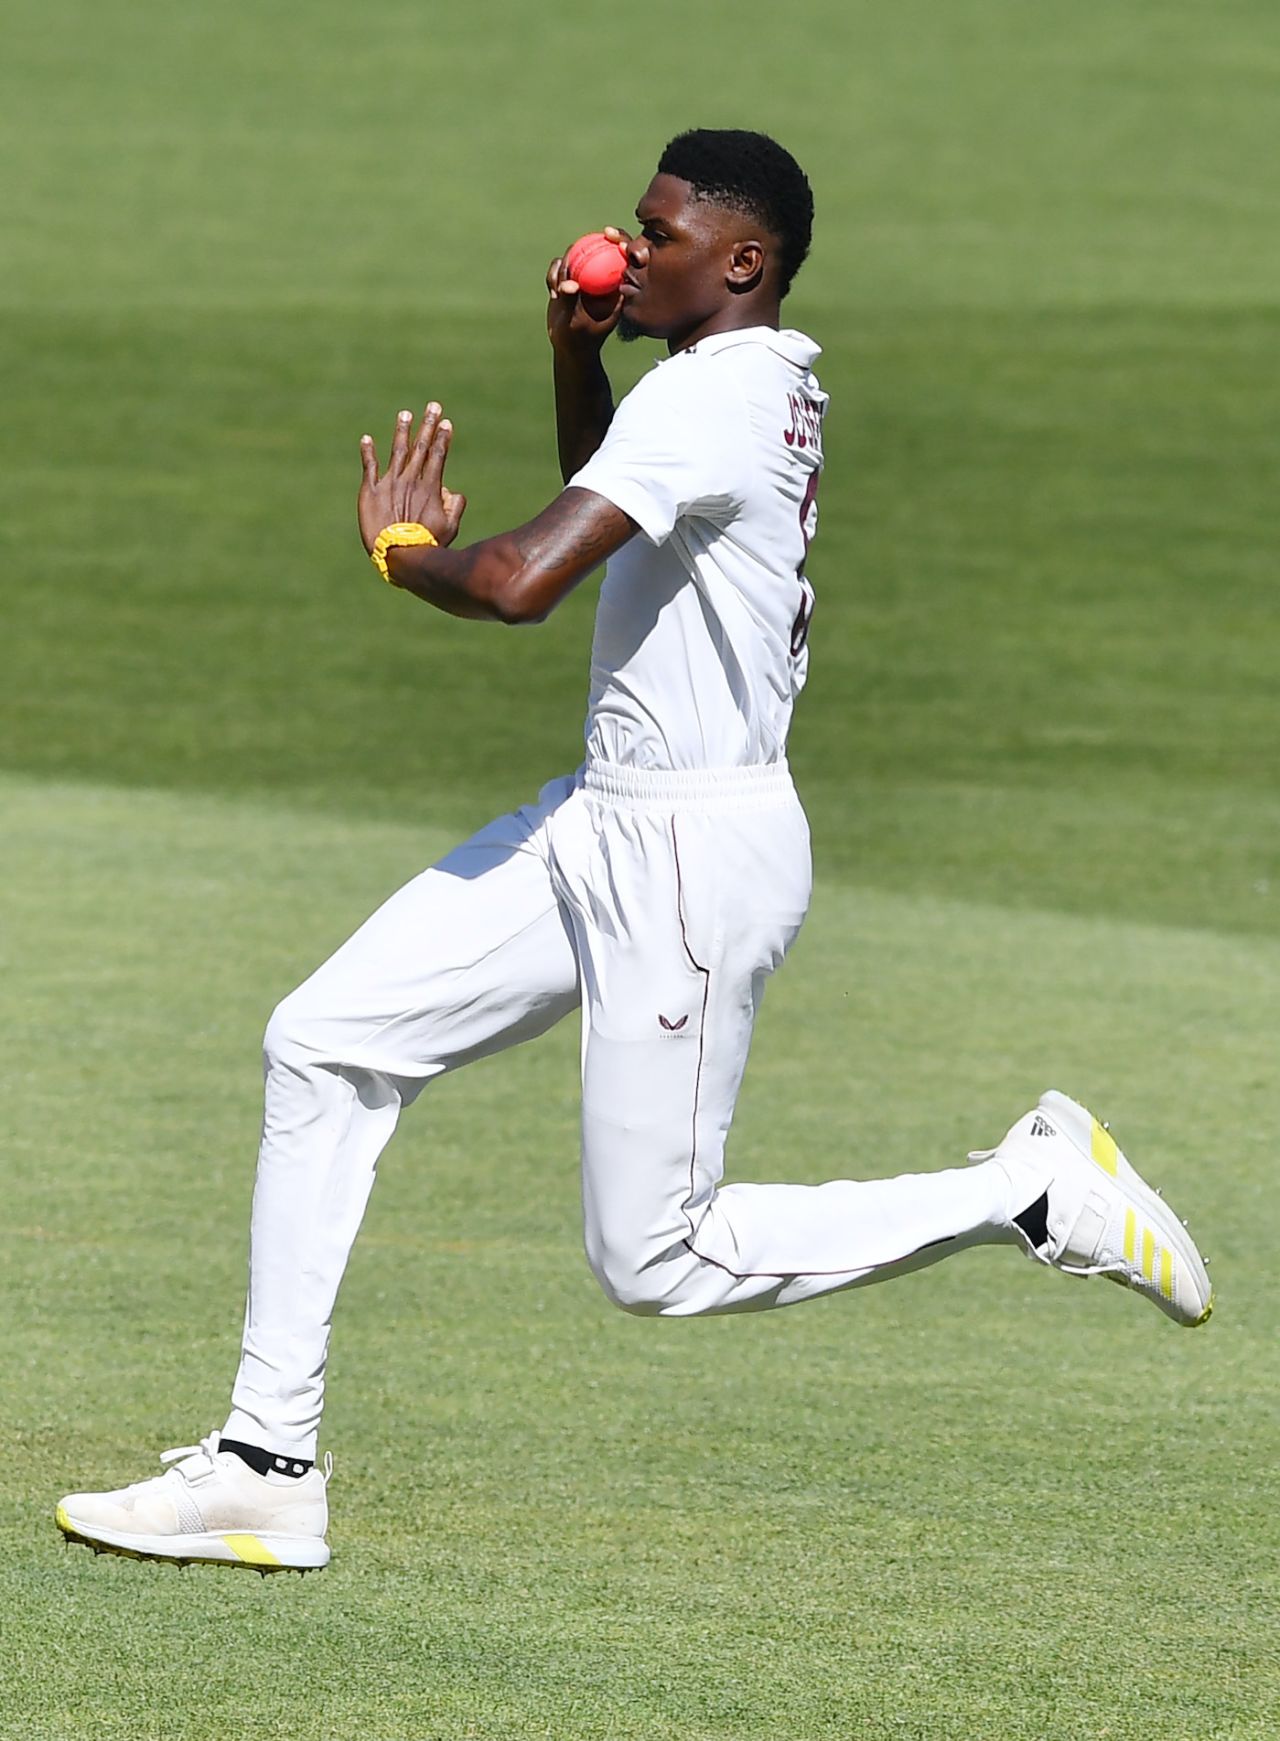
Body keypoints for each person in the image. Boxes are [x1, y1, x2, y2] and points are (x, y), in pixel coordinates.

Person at [55, 129, 1212, 1576]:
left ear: (743, 262)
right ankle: (265, 1463)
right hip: (606, 815)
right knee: (324, 1038)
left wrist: (401, 551)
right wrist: (570, 363)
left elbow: (528, 579)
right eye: (634, 223)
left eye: (658, 235)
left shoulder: (716, 398)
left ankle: (1033, 1191)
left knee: (655, 1258)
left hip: (690, 859)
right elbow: (615, 502)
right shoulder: (725, 388)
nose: (623, 249)